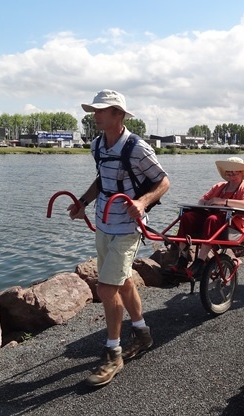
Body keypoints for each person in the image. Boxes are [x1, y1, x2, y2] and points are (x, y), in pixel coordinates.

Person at [68, 90, 170, 387]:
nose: (95, 115)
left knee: (106, 287)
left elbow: (163, 181)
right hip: (104, 224)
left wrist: (143, 202)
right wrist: (83, 203)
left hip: (128, 227)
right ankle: (142, 332)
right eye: (94, 111)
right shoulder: (98, 145)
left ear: (119, 115)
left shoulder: (138, 148)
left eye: (101, 111)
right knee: (122, 281)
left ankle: (113, 353)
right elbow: (103, 179)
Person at [174, 157, 244, 278]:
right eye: (228, 170)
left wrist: (223, 201)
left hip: (233, 222)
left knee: (212, 220)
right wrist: (207, 203)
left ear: (241, 172)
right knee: (188, 217)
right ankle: (183, 258)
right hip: (214, 218)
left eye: (234, 170)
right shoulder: (219, 186)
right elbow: (202, 200)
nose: (230, 173)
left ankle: (199, 262)